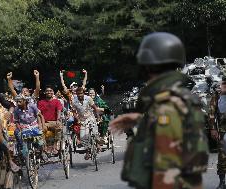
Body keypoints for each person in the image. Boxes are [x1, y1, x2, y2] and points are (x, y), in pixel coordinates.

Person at [109, 32, 208, 189]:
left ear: (147, 66)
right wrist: (140, 119)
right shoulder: (180, 98)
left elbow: (165, 171)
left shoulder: (166, 105)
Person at [71, 87, 100, 160]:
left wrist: (98, 116)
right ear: (76, 94)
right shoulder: (74, 101)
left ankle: (98, 142)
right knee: (83, 137)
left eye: (81, 93)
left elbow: (95, 108)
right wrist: (77, 120)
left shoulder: (88, 98)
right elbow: (74, 113)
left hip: (90, 117)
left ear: (83, 93)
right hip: (82, 120)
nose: (80, 95)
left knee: (94, 130)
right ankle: (87, 152)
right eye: (78, 94)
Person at [209, 77, 226, 189]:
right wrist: (213, 129)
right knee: (222, 157)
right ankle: (222, 182)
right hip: (223, 131)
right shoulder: (217, 95)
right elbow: (211, 113)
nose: (223, 86)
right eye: (223, 84)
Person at [38, 85, 63, 154]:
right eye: (47, 91)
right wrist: (40, 124)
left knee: (59, 127)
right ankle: (45, 146)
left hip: (54, 121)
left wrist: (58, 119)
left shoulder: (57, 101)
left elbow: (59, 111)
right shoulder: (41, 102)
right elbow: (39, 114)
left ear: (53, 92)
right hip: (44, 122)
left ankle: (55, 144)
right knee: (40, 131)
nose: (49, 92)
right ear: (44, 92)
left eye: (50, 91)